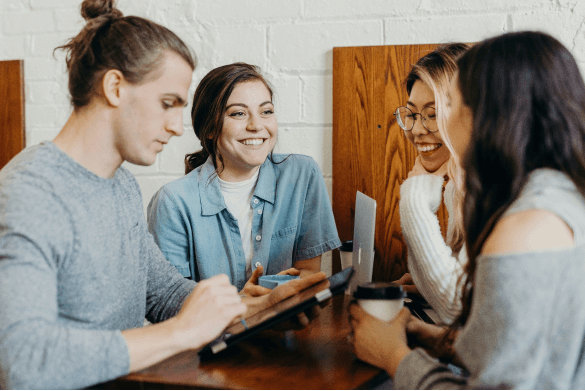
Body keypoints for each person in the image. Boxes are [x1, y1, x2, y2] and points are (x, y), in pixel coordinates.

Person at [0, 1, 327, 389]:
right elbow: (22, 362)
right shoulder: (28, 193)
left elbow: (164, 292)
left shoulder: (120, 185)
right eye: (167, 103)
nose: (176, 127)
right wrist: (180, 333)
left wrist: (253, 310)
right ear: (115, 87)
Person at [350, 31, 585, 389]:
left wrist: (394, 356)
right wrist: (436, 340)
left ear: (490, 115)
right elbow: (522, 351)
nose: (437, 124)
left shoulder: (526, 225)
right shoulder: (558, 196)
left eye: (453, 104)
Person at [147, 62, 341, 295]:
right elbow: (172, 301)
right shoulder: (172, 202)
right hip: (216, 331)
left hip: (287, 325)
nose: (256, 125)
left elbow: (309, 273)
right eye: (238, 113)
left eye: (266, 111)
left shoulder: (302, 175)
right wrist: (245, 306)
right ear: (209, 128)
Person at [393, 43, 469, 324]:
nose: (416, 129)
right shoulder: (456, 186)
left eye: (433, 114)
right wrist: (427, 284)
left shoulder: (489, 189)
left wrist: (414, 197)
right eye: (411, 114)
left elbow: (456, 308)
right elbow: (463, 296)